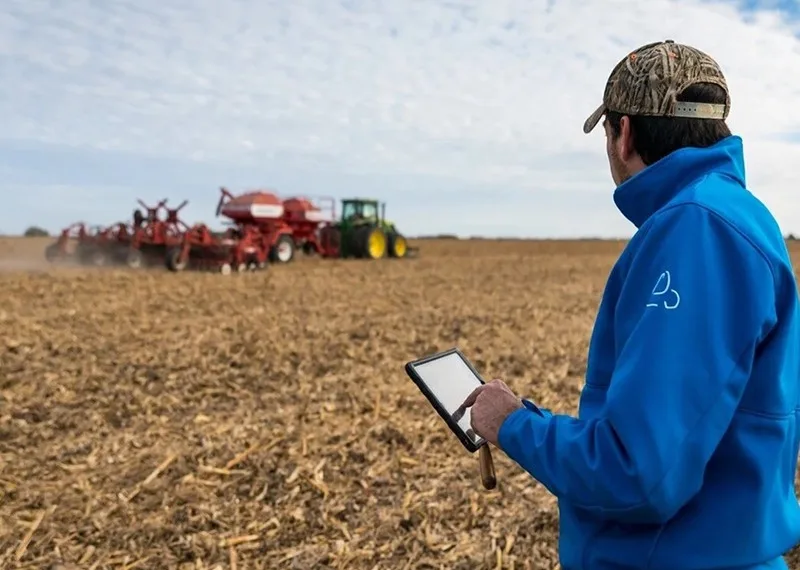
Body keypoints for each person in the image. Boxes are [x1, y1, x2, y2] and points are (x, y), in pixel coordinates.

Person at [457, 40, 800, 570]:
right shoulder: (739, 215)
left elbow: (638, 471)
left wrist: (513, 426)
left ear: (624, 135)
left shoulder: (697, 229)